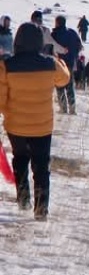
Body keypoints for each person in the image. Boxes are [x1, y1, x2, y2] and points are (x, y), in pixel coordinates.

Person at [0, 23, 71, 220]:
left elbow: (1, 99)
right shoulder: (50, 64)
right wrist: (58, 60)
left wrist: (10, 113)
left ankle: (23, 200)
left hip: (16, 126)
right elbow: (64, 79)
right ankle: (41, 211)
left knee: (20, 160)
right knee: (41, 167)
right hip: (42, 126)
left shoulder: (7, 66)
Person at [49, 17, 82, 115]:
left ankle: (63, 108)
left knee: (60, 85)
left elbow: (50, 48)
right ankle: (72, 108)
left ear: (57, 23)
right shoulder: (72, 33)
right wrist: (74, 56)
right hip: (70, 63)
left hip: (59, 63)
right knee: (70, 85)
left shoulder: (54, 34)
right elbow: (79, 46)